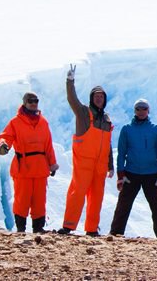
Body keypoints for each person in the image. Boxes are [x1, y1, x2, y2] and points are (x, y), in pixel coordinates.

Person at [58, 65, 114, 236]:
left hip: (100, 165)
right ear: (92, 98)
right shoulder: (83, 113)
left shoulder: (106, 118)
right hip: (84, 162)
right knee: (77, 192)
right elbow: (72, 99)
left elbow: (108, 144)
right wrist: (70, 81)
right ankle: (68, 226)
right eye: (96, 96)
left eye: (101, 97)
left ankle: (91, 229)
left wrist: (110, 165)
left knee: (97, 197)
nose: (99, 99)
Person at [0, 91, 59, 233]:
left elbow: (48, 145)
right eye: (30, 101)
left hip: (40, 167)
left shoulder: (43, 122)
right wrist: (3, 145)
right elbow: (6, 136)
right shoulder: (15, 122)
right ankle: (21, 229)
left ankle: (38, 229)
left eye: (36, 100)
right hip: (23, 166)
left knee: (39, 201)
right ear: (24, 103)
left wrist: (52, 163)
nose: (33, 103)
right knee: (22, 200)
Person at [109, 98, 157, 238]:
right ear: (134, 111)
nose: (141, 112)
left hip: (152, 174)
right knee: (123, 205)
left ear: (148, 111)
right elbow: (121, 153)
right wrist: (120, 174)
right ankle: (116, 233)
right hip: (131, 173)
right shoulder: (127, 129)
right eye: (138, 109)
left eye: (144, 109)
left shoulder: (156, 130)